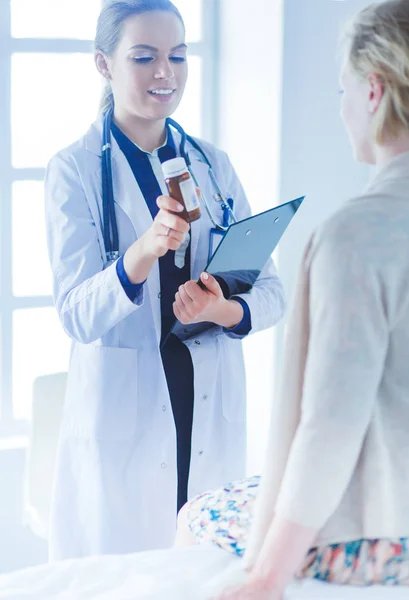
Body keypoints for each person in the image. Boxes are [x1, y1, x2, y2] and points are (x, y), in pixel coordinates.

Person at [176, 0, 409, 597]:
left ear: (374, 92)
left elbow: (331, 420)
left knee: (197, 518)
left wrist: (267, 576)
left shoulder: (359, 236)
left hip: (383, 535)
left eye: (342, 90)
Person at [44, 0, 285, 561]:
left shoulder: (213, 164)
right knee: (124, 577)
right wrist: (144, 251)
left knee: (200, 571)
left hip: (206, 406)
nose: (165, 74)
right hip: (123, 421)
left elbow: (269, 294)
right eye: (144, 57)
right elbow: (77, 314)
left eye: (178, 56)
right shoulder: (74, 169)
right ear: (104, 64)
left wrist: (221, 309)